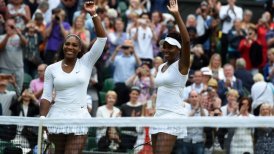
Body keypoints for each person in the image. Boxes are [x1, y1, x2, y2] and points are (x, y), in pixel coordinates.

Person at [40, 1, 107, 153]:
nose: (70, 47)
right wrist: (42, 119)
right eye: (67, 44)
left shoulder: (86, 62)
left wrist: (93, 14)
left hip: (79, 116)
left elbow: (102, 39)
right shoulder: (51, 68)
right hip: (56, 116)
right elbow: (46, 96)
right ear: (63, 46)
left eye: (74, 45)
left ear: (79, 49)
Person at [150, 0, 191, 153]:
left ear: (179, 49)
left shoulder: (182, 65)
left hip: (173, 116)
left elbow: (186, 41)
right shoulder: (161, 66)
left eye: (170, 47)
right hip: (158, 114)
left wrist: (176, 15)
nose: (165, 50)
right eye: (164, 46)